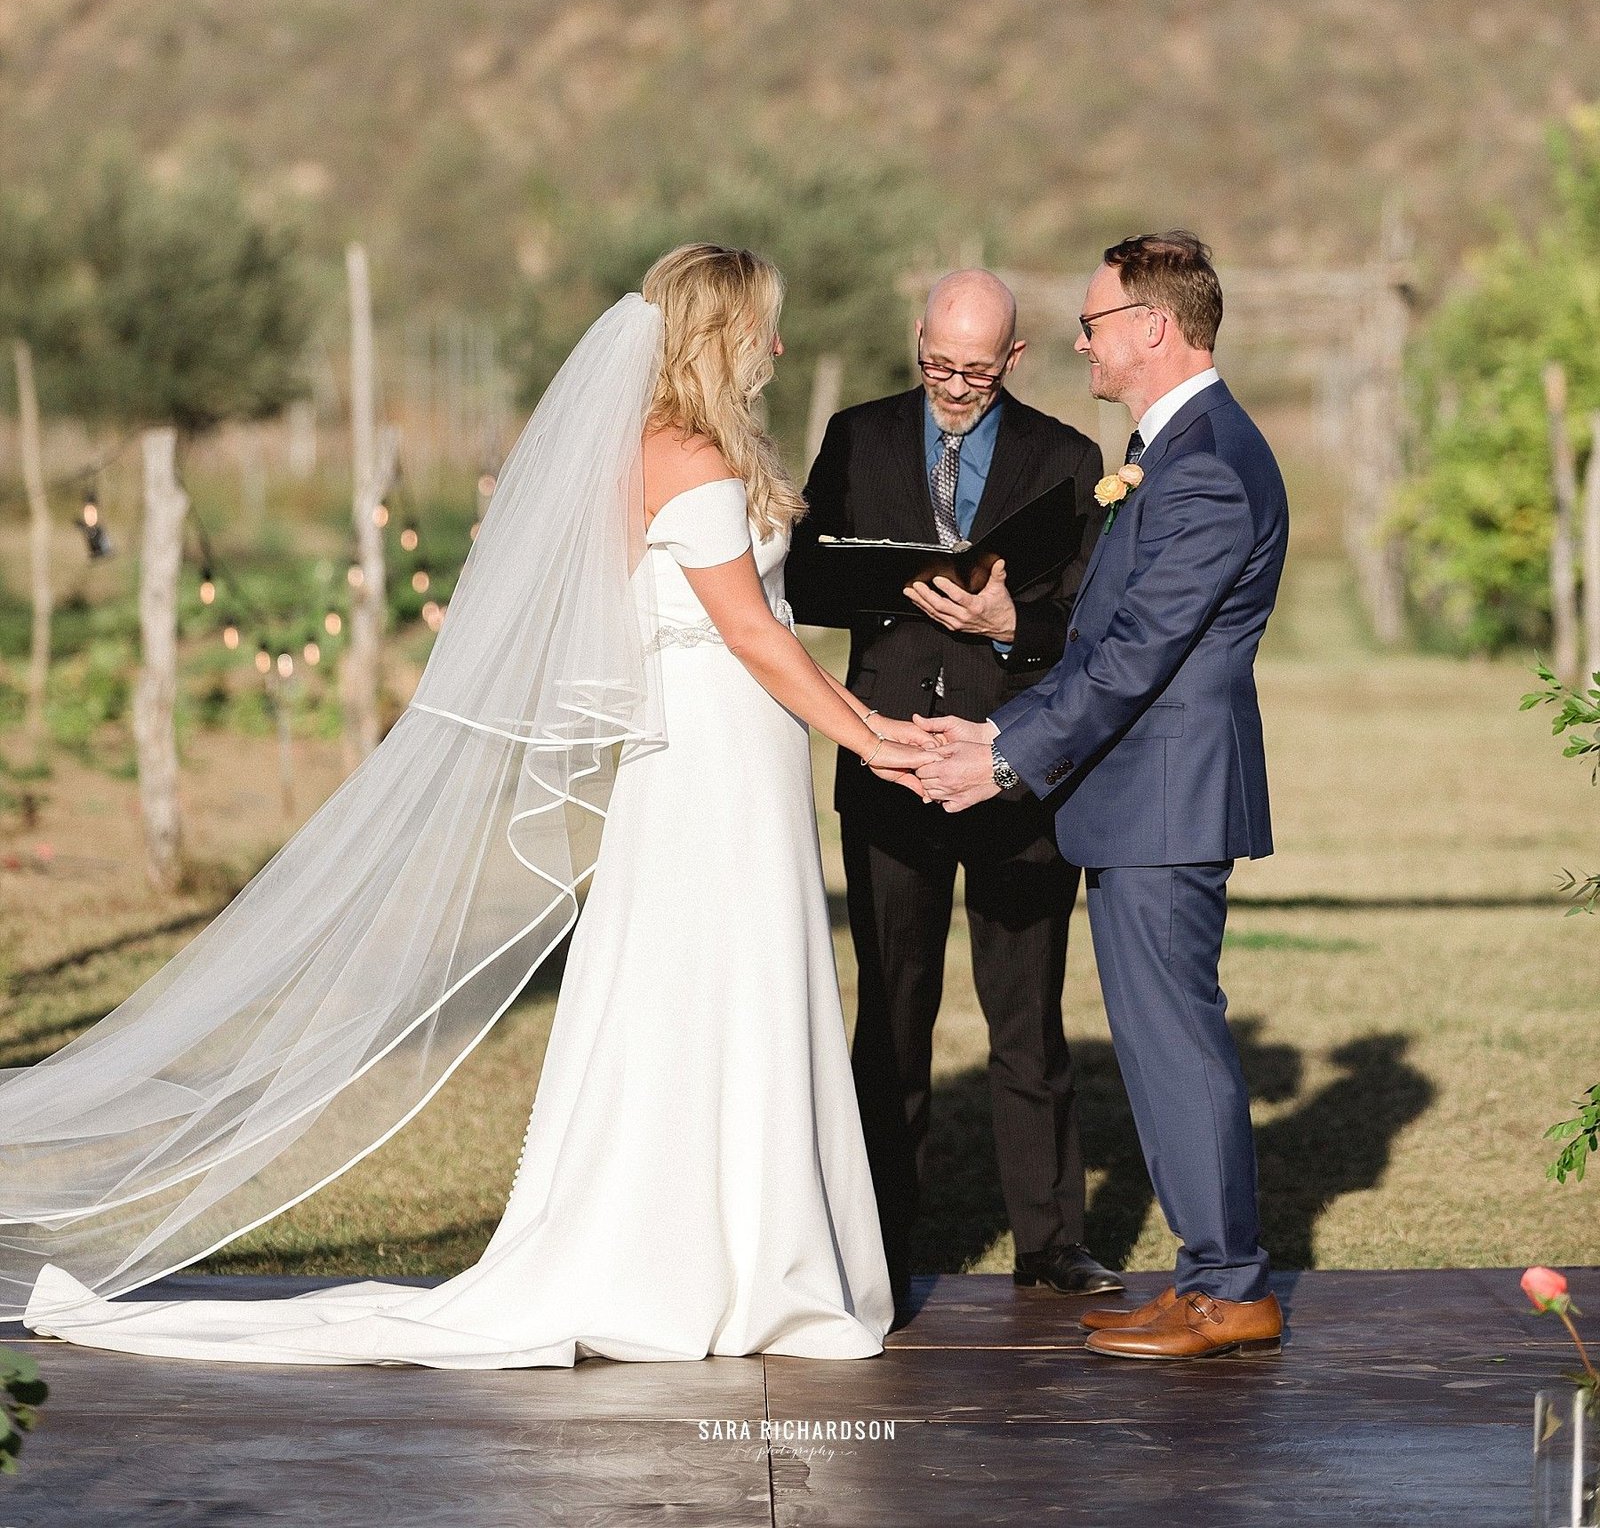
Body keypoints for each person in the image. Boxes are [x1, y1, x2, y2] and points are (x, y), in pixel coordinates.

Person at [12, 246, 934, 1368]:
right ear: (721, 333)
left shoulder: (663, 449)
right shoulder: (685, 458)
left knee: (715, 975)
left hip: (719, 747)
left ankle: (734, 1247)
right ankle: (718, 1260)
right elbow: (750, 632)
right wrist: (874, 736)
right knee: (718, 970)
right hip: (712, 753)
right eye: (764, 328)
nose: (779, 348)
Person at [913, 233, 1289, 1362]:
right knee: (1160, 1039)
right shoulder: (1168, 451)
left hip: (1167, 800)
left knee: (1174, 1042)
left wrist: (1004, 763)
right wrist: (994, 728)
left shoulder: (1209, 461)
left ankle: (1228, 1287)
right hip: (1138, 798)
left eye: (1091, 321)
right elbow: (1104, 638)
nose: (1079, 341)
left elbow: (1137, 661)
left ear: (1152, 327)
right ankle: (1206, 1274)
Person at [785, 268, 1120, 1318]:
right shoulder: (855, 435)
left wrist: (1005, 625)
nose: (954, 386)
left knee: (1025, 1015)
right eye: (938, 364)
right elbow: (803, 579)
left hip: (1012, 761)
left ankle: (1050, 1242)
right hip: (885, 752)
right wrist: (901, 580)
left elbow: (1083, 625)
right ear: (915, 340)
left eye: (975, 371)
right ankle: (874, 1239)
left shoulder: (1067, 461)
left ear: (1013, 359)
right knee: (890, 1015)